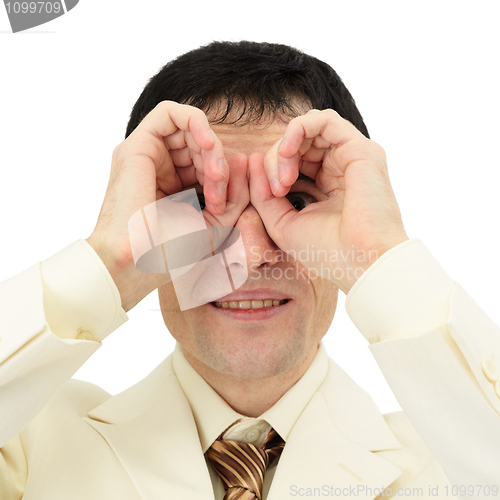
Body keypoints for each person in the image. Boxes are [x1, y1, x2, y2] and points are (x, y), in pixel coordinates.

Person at [1, 40, 499, 500]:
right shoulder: (30, 444)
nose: (254, 253)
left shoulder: (449, 465)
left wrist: (378, 257)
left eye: (298, 202)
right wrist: (115, 259)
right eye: (200, 203)